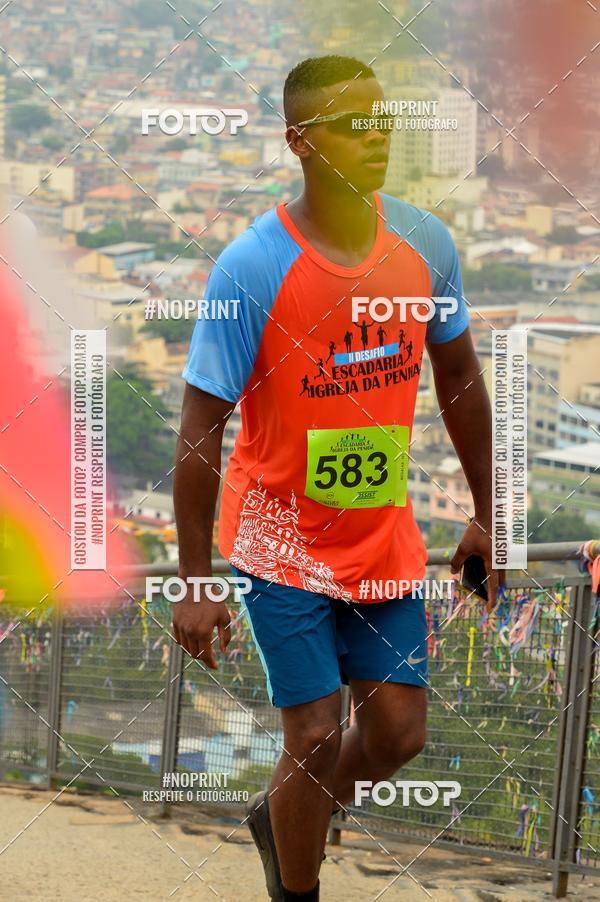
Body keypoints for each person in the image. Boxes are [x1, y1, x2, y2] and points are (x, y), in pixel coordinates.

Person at [173, 54, 500, 902]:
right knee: (314, 734)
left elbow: (460, 378)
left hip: (379, 531)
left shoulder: (424, 243)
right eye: (352, 124)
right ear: (299, 142)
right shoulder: (250, 268)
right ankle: (299, 887)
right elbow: (200, 427)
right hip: (279, 537)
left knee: (397, 735)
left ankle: (281, 815)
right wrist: (194, 577)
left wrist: (488, 514)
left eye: (382, 119)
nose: (376, 137)